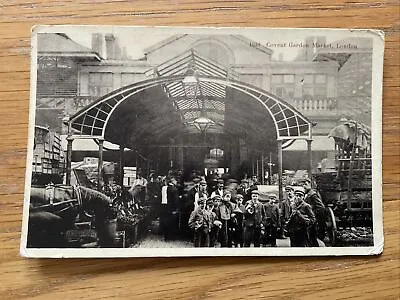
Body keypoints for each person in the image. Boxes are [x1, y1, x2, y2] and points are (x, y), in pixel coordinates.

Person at [302, 178, 326, 246]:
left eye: (305, 184)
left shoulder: (313, 195)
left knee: (312, 239)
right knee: (309, 239)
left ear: (311, 185)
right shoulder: (308, 194)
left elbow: (321, 208)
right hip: (309, 221)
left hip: (312, 222)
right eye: (303, 184)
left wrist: (312, 215)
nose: (304, 186)